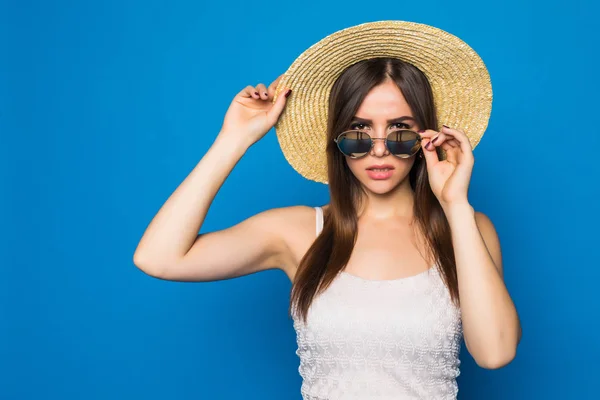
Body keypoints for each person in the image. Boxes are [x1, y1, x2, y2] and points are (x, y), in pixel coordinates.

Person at [134, 20, 522, 400]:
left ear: (426, 138)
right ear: (336, 139)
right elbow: (159, 258)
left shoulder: (467, 228)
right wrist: (233, 140)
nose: (380, 150)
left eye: (401, 130)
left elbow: (495, 353)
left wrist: (455, 204)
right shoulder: (298, 231)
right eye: (358, 133)